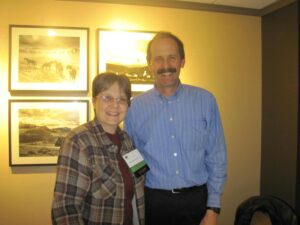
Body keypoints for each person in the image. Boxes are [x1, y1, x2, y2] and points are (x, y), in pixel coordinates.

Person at [125, 32, 227, 225]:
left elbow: (216, 156)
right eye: (158, 59)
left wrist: (213, 208)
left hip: (197, 201)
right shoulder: (135, 107)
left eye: (172, 57)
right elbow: (131, 154)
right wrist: (146, 179)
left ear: (182, 61)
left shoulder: (205, 100)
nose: (165, 65)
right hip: (155, 203)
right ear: (149, 63)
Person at [52, 72, 145, 225]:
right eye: (107, 97)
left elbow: (141, 176)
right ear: (94, 101)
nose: (115, 105)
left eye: (121, 99)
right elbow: (66, 209)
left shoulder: (127, 141)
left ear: (128, 105)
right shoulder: (77, 141)